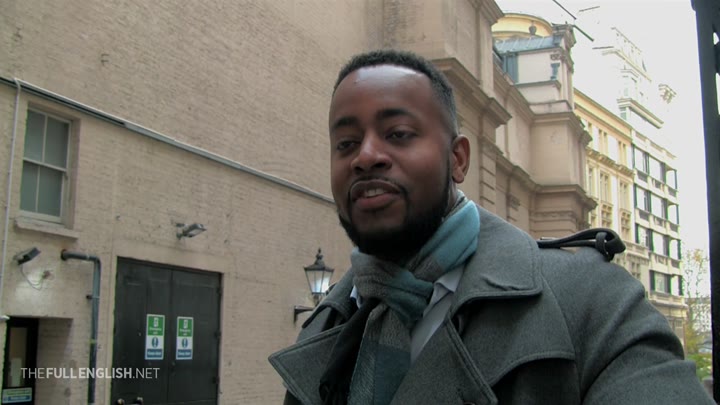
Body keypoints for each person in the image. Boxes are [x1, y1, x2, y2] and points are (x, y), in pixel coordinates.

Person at [269, 49, 714, 405]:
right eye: (346, 143)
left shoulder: (592, 302)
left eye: (398, 133)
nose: (365, 156)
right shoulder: (326, 325)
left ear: (458, 159)